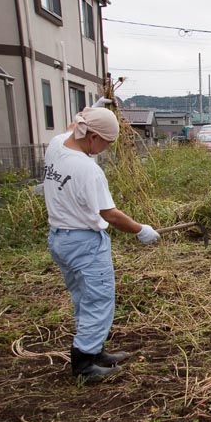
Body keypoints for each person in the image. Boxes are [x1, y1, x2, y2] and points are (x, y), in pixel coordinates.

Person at [43, 106, 161, 383]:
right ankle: (84, 364)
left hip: (60, 239)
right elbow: (110, 214)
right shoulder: (87, 170)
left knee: (84, 297)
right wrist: (141, 230)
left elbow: (72, 127)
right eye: (106, 142)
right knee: (98, 299)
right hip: (84, 243)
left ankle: (94, 350)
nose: (106, 148)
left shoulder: (56, 145)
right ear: (92, 136)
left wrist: (90, 111)